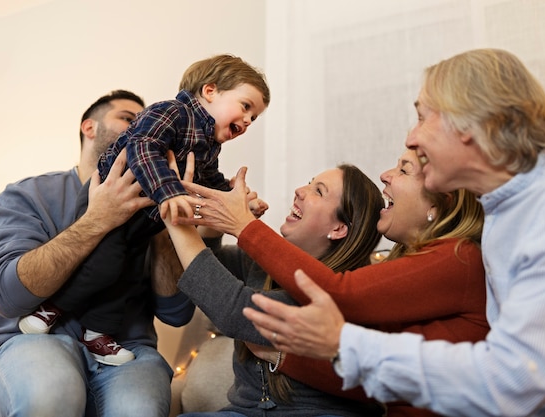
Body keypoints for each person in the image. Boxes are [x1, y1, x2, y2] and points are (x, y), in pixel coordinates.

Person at [244, 48, 545, 416]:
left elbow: (513, 381)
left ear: (471, 122)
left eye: (423, 118)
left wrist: (345, 345)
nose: (412, 138)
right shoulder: (506, 215)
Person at [166, 148, 488, 416]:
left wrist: (220, 222)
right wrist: (210, 223)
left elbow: (334, 294)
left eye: (403, 170)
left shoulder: (457, 258)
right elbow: (202, 272)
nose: (386, 175)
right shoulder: (406, 266)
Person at [19, 54, 270, 365]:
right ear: (210, 91)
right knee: (104, 264)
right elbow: (143, 146)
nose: (247, 120)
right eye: (246, 107)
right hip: (109, 201)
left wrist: (236, 199)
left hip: (141, 218)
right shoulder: (172, 112)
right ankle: (52, 306)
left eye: (254, 118)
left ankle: (97, 332)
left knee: (127, 275)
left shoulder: (209, 145)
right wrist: (168, 193)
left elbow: (208, 180)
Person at [0, 90, 195, 417]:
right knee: (48, 396)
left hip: (127, 348)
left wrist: (167, 218)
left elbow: (176, 314)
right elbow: (8, 297)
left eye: (149, 124)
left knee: (137, 410)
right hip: (31, 341)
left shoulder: (154, 206)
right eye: (129, 119)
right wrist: (98, 219)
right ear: (89, 127)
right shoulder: (27, 195)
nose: (143, 130)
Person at [165, 153, 386, 416]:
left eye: (318, 191)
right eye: (309, 182)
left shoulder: (337, 289)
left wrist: (172, 210)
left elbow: (233, 310)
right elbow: (211, 269)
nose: (299, 191)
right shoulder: (261, 264)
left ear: (338, 229)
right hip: (244, 411)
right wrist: (216, 223)